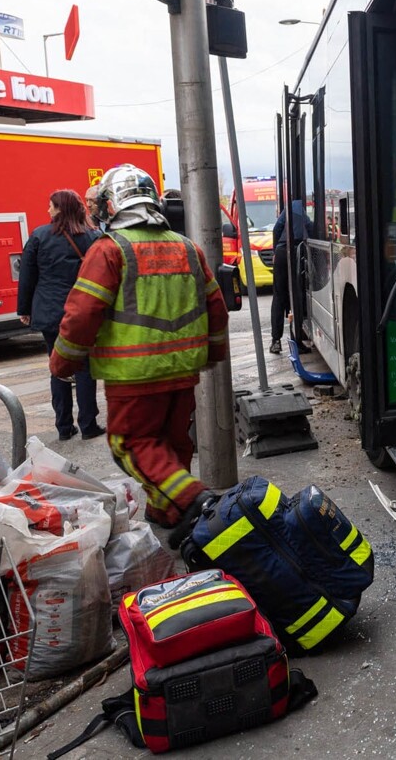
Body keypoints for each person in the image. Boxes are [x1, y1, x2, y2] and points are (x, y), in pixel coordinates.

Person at [49, 165, 227, 539]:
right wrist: (212, 355)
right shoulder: (188, 248)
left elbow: (82, 313)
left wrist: (63, 362)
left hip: (134, 374)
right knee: (172, 444)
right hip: (182, 371)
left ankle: (197, 500)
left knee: (131, 443)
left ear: (112, 205)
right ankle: (168, 514)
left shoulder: (110, 250)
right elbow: (216, 309)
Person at [18, 190, 104, 441]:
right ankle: (89, 424)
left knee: (58, 367)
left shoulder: (39, 236)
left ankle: (64, 427)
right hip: (83, 311)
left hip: (50, 311)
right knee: (85, 367)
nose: (48, 210)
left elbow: (27, 276)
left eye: (51, 206)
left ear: (60, 209)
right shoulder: (93, 236)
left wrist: (25, 309)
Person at [269, 198, 313, 354]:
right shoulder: (300, 208)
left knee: (279, 297)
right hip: (296, 253)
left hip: (281, 253)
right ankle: (297, 340)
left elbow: (276, 229)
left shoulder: (288, 209)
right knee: (296, 296)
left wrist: (275, 251)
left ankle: (276, 341)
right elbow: (310, 227)